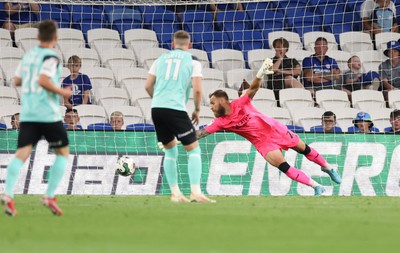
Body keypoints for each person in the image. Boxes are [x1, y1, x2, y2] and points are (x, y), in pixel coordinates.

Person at [196, 59, 342, 196]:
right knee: (284, 167)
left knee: (304, 149)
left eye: (213, 103)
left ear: (222, 101)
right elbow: (201, 133)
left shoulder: (241, 103)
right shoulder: (220, 122)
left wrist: (260, 73)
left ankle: (327, 167)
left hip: (275, 129)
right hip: (263, 143)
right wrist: (182, 138)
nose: (210, 107)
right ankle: (316, 186)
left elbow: (253, 88)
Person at [1, 20, 72, 217]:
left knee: (21, 154)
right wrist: (62, 91)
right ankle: (49, 196)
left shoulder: (29, 56)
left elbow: (16, 80)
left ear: (37, 36)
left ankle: (8, 193)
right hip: (47, 114)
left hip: (28, 113)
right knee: (63, 152)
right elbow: (43, 80)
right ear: (55, 38)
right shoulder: (52, 57)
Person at [145, 30, 214, 203]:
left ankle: (175, 193)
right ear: (189, 45)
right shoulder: (192, 61)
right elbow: (197, 89)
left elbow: (147, 86)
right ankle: (196, 192)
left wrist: (160, 100)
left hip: (157, 108)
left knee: (170, 150)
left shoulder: (159, 60)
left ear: (172, 44)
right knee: (194, 150)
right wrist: (197, 110)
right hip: (175, 109)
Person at [266, 37, 303, 105]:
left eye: (282, 47)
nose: (280, 49)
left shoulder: (292, 60)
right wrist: (280, 58)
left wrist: (280, 71)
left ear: (286, 49)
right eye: (277, 47)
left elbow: (298, 71)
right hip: (275, 86)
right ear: (275, 49)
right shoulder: (269, 60)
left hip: (291, 87)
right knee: (289, 78)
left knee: (289, 78)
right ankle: (302, 97)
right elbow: (271, 70)